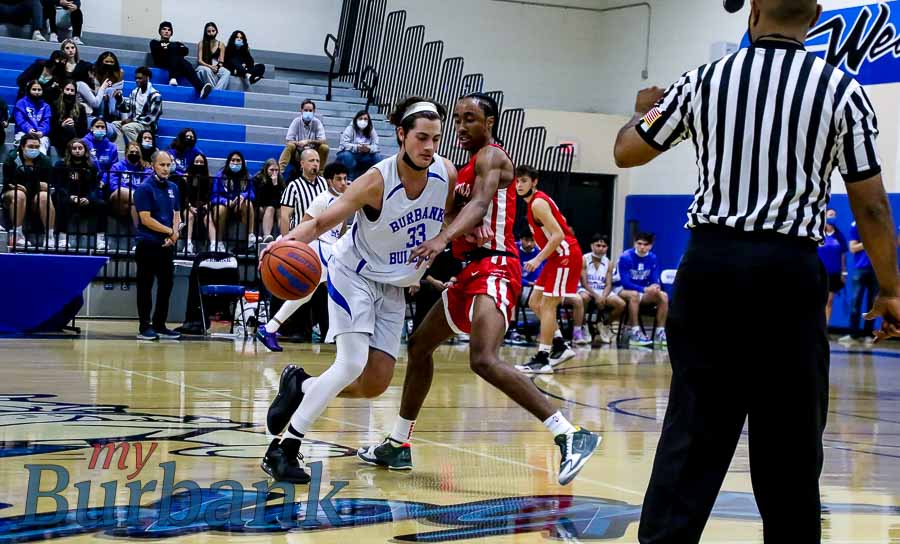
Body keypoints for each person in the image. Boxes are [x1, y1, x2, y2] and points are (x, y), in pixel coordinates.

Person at [612, 1, 900, 541]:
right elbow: (873, 206)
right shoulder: (842, 90)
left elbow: (627, 152)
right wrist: (891, 289)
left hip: (711, 267)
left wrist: (641, 110)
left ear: (755, 11)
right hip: (789, 274)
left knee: (693, 430)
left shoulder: (701, 80)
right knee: (791, 445)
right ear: (815, 16)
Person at [358, 93, 599, 485]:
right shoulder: (461, 170)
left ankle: (570, 434)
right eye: (457, 119)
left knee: (483, 358)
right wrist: (452, 228)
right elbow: (452, 213)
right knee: (419, 346)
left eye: (469, 119)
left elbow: (480, 205)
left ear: (489, 123)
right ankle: (398, 443)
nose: (460, 127)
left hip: (497, 266)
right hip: (470, 271)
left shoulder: (492, 157)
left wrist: (444, 238)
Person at [259, 97, 454, 483]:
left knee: (375, 382)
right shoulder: (376, 181)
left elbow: (451, 216)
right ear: (401, 135)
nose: (429, 147)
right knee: (350, 364)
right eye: (421, 138)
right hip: (355, 275)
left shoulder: (445, 174)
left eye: (435, 138)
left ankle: (301, 386)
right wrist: (284, 243)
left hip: (394, 286)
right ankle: (284, 449)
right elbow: (320, 223)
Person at [256, 161, 348, 352]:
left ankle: (269, 328)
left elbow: (342, 228)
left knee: (308, 295)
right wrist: (289, 243)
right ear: (329, 181)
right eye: (338, 179)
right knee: (340, 290)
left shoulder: (343, 200)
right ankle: (339, 334)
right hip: (318, 248)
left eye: (345, 179)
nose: (343, 183)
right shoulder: (322, 199)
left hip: (332, 249)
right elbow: (306, 224)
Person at [513, 164, 580, 374]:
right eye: (517, 181)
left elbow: (559, 234)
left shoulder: (537, 203)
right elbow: (562, 221)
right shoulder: (537, 202)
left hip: (564, 256)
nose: (519, 185)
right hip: (555, 257)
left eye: (524, 181)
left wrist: (537, 259)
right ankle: (560, 345)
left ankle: (543, 358)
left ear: (534, 182)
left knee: (549, 305)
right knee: (534, 302)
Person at [134, 151, 182, 341]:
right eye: (162, 165)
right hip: (148, 243)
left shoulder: (174, 187)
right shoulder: (144, 188)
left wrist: (175, 233)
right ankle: (144, 326)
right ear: (153, 165)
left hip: (166, 245)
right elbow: (145, 219)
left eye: (168, 165)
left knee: (166, 285)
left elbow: (177, 213)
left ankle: (160, 324)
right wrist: (169, 231)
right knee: (145, 286)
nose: (165, 168)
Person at [52, 137, 106, 250]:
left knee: (101, 204)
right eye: (74, 148)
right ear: (69, 150)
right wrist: (70, 197)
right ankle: (62, 237)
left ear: (85, 150)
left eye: (80, 148)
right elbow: (58, 185)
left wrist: (88, 198)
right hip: (67, 196)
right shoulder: (61, 165)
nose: (77, 151)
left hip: (85, 198)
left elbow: (94, 187)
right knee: (61, 201)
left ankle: (100, 238)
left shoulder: (92, 167)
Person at [615, 232, 667, 348]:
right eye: (639, 243)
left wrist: (655, 287)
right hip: (621, 289)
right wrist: (645, 289)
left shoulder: (653, 258)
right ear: (635, 243)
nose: (642, 247)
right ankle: (635, 333)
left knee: (663, 296)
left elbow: (654, 279)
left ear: (651, 246)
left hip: (642, 291)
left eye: (645, 244)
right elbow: (626, 283)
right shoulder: (626, 257)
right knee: (634, 295)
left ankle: (660, 333)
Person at [2, 134, 54, 248]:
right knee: (19, 194)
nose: (34, 149)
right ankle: (18, 234)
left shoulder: (45, 161)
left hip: (35, 198)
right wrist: (35, 185)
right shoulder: (12, 159)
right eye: (30, 146)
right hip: (12, 196)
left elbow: (47, 186)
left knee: (44, 197)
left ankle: (49, 236)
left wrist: (27, 186)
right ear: (22, 146)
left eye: (37, 147)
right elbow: (9, 184)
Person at [577, 234, 625, 344]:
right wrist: (597, 296)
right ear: (592, 246)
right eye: (598, 245)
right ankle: (583, 325)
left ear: (607, 248)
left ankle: (604, 324)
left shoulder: (609, 262)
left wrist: (603, 296)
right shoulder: (584, 259)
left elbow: (608, 284)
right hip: (586, 289)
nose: (601, 248)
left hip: (602, 290)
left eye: (604, 246)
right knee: (584, 298)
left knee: (621, 304)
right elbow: (584, 283)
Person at [150, 21, 212, 98]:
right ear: (160, 31)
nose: (166, 31)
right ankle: (199, 86)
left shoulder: (176, 43)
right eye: (164, 29)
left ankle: (174, 78)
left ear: (171, 33)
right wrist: (173, 48)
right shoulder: (154, 42)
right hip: (161, 63)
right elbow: (157, 52)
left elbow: (185, 51)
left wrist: (168, 48)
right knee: (177, 56)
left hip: (176, 64)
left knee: (183, 61)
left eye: (169, 30)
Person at [209, 151, 256, 251]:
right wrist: (225, 201)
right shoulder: (220, 175)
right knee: (220, 209)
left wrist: (242, 196)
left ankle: (250, 237)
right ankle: (219, 242)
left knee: (248, 203)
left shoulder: (247, 176)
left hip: (239, 207)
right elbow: (214, 196)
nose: (235, 163)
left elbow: (251, 193)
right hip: (224, 205)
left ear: (242, 163)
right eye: (233, 160)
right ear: (228, 162)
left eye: (238, 160)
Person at [278, 148, 327, 236]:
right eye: (311, 160)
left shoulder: (324, 183)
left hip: (320, 235)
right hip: (299, 236)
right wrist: (285, 240)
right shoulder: (293, 186)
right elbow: (285, 216)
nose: (315, 164)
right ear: (302, 163)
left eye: (317, 161)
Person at [844, 218, 878, 344]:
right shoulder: (856, 225)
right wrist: (868, 242)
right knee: (855, 303)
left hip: (876, 270)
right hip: (860, 269)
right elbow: (852, 248)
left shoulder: (879, 225)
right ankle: (853, 335)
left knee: (873, 305)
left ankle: (868, 334)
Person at [112, 67, 162, 145]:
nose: (137, 80)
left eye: (140, 78)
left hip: (147, 126)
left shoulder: (155, 96)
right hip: (134, 123)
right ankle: (122, 148)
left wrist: (133, 120)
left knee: (127, 127)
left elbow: (151, 118)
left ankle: (139, 148)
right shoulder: (134, 93)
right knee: (114, 125)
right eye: (136, 78)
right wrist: (119, 99)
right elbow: (126, 108)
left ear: (147, 78)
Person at [108, 141, 149, 228]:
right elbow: (114, 186)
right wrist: (133, 192)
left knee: (133, 205)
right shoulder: (117, 166)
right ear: (126, 153)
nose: (134, 154)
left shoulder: (146, 169)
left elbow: (147, 186)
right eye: (132, 152)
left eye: (137, 152)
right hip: (118, 199)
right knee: (121, 191)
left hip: (133, 203)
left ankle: (138, 231)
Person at [818, 209, 848, 326]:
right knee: (818, 301)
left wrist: (844, 273)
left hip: (834, 274)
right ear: (825, 217)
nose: (833, 217)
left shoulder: (839, 236)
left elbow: (843, 255)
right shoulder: (819, 234)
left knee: (829, 301)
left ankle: (826, 327)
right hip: (819, 273)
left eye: (834, 215)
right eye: (830, 215)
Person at [283, 100, 329, 172]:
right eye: (306, 110)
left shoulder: (317, 122)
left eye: (310, 111)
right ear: (301, 110)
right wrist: (299, 143)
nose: (308, 112)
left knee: (324, 147)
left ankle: (320, 172)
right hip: (299, 153)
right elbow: (288, 140)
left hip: (313, 153)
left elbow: (323, 141)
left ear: (314, 111)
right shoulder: (296, 121)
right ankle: (280, 171)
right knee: (290, 145)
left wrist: (308, 141)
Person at [336, 110, 382, 180]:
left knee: (377, 156)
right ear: (356, 119)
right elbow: (344, 144)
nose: (363, 121)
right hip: (351, 153)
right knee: (347, 156)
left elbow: (376, 146)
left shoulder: (371, 129)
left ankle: (378, 179)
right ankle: (350, 179)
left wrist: (369, 149)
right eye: (360, 118)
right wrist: (357, 147)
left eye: (365, 119)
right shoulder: (350, 128)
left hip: (365, 155)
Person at [49, 80, 87, 156]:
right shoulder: (55, 105)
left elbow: (83, 130)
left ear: (75, 93)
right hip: (58, 137)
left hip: (75, 138)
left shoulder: (81, 108)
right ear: (63, 90)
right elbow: (51, 127)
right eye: (67, 89)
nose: (69, 92)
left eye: (72, 90)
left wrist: (74, 125)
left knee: (70, 129)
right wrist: (62, 125)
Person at [13, 80, 52, 155]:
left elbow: (46, 123)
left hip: (40, 135)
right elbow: (20, 121)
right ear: (29, 90)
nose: (37, 92)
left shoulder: (46, 106)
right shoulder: (21, 103)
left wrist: (41, 132)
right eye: (34, 89)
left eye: (39, 90)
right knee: (22, 143)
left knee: (43, 143)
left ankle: (39, 162)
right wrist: (29, 129)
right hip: (23, 133)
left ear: (43, 91)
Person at [183, 153, 211, 254]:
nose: (199, 164)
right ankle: (188, 244)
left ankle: (213, 244)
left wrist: (207, 205)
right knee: (189, 216)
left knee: (209, 218)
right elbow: (183, 196)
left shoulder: (209, 179)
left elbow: (210, 196)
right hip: (188, 206)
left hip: (203, 207)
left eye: (201, 162)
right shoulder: (185, 178)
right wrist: (189, 207)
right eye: (196, 162)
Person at [252, 158, 285, 243]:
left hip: (273, 207)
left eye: (276, 170)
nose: (274, 172)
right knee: (268, 208)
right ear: (266, 169)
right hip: (259, 205)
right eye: (271, 170)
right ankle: (258, 235)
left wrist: (275, 185)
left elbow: (280, 199)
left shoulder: (280, 179)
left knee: (274, 208)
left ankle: (276, 235)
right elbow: (258, 197)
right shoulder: (258, 178)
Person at [195, 22, 230, 92]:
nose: (211, 33)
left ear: (216, 31)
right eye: (209, 31)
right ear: (205, 32)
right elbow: (200, 60)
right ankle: (214, 91)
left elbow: (221, 61)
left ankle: (217, 91)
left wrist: (217, 67)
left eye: (213, 31)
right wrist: (210, 67)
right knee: (207, 70)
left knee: (227, 72)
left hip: (215, 66)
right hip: (203, 66)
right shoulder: (201, 43)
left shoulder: (221, 44)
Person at [82, 117, 117, 184]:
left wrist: (104, 180)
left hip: (106, 181)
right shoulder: (83, 143)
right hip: (86, 180)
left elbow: (113, 167)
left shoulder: (112, 147)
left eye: (103, 127)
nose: (100, 129)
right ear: (91, 128)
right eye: (97, 126)